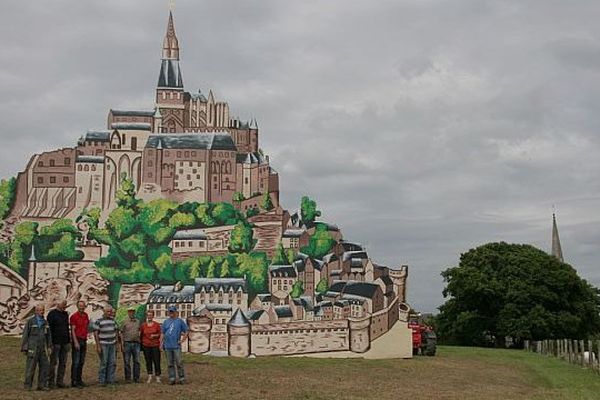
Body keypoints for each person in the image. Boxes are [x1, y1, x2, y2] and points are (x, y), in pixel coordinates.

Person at [21, 304, 52, 391]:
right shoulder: (30, 322)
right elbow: (25, 335)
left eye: (42, 310)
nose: (41, 312)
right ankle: (27, 386)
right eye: (39, 310)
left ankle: (42, 385)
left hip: (42, 349)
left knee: (44, 367)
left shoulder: (45, 322)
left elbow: (49, 336)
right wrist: (24, 347)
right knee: (30, 368)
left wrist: (49, 346)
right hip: (32, 348)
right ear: (36, 311)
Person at [160, 305, 188, 385]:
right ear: (168, 313)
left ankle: (181, 378)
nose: (171, 313)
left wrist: (182, 340)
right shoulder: (166, 322)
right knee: (170, 363)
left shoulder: (179, 321)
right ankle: (172, 378)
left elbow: (186, 331)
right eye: (170, 311)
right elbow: (162, 333)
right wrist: (160, 344)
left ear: (176, 312)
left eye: (172, 311)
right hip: (167, 346)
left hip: (176, 346)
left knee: (179, 362)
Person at [47, 299, 70, 389]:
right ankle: (50, 382)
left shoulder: (65, 314)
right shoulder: (52, 314)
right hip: (55, 342)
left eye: (65, 304)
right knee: (53, 362)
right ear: (58, 304)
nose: (65, 306)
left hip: (65, 342)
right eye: (63, 304)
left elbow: (66, 328)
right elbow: (49, 329)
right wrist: (50, 342)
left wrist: (68, 340)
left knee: (63, 363)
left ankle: (60, 381)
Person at [93, 305, 118, 386]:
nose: (109, 313)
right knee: (104, 362)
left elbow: (116, 331)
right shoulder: (98, 321)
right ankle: (102, 381)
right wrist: (98, 345)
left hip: (112, 344)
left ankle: (110, 380)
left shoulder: (113, 321)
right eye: (108, 311)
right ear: (104, 312)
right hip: (103, 345)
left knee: (112, 362)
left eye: (110, 311)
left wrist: (117, 343)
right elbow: (96, 333)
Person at [70, 300, 89, 388]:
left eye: (83, 306)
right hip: (77, 340)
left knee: (81, 361)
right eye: (80, 306)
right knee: (76, 362)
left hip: (84, 340)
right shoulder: (74, 316)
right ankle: (74, 381)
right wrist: (75, 342)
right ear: (77, 306)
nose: (82, 307)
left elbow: (87, 326)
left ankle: (79, 379)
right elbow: (73, 330)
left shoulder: (86, 315)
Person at [120, 306, 141, 383]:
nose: (131, 313)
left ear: (134, 312)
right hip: (127, 343)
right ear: (128, 312)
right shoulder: (124, 321)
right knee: (127, 361)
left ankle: (136, 378)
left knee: (137, 361)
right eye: (130, 311)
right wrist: (122, 344)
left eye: (133, 311)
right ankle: (128, 378)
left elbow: (139, 331)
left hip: (136, 344)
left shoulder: (138, 321)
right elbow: (121, 333)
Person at [140, 310, 162, 384]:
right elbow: (141, 335)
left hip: (155, 345)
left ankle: (158, 376)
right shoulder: (143, 325)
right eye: (148, 315)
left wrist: (155, 335)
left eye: (150, 315)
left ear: (153, 316)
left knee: (156, 361)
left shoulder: (157, 325)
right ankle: (149, 376)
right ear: (146, 316)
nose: (149, 316)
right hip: (146, 345)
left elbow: (160, 334)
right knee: (148, 361)